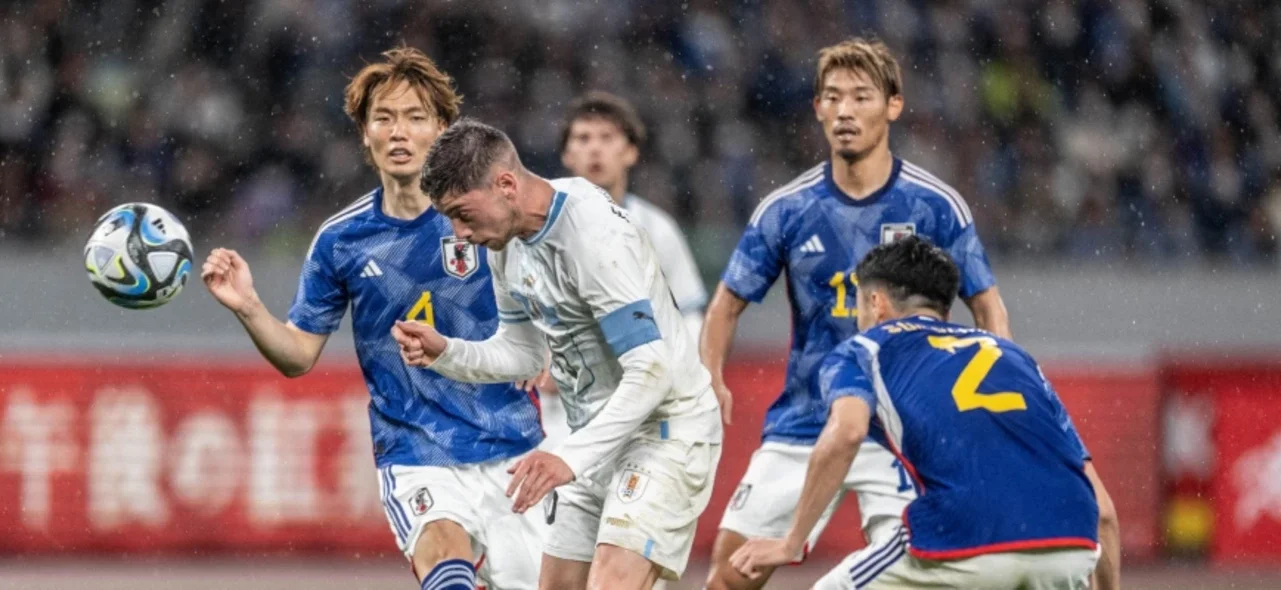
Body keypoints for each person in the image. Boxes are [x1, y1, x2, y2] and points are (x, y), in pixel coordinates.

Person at [200, 48, 544, 590]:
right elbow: (297, 355)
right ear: (365, 134)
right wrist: (248, 306)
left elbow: (552, 302)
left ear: (443, 130)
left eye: (415, 117)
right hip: (416, 451)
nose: (399, 132)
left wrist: (547, 351)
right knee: (445, 564)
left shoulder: (487, 217)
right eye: (384, 118)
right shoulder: (342, 240)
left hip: (515, 446)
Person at [702, 37, 1013, 589]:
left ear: (894, 104)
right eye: (833, 97)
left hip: (904, 428)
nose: (845, 111)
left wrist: (992, 391)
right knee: (729, 573)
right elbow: (726, 305)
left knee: (925, 574)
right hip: (807, 420)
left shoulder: (934, 206)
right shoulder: (788, 210)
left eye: (861, 97)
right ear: (818, 108)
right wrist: (711, 376)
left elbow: (987, 306)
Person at [393, 118, 722, 590]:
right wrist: (447, 351)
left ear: (506, 184)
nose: (460, 233)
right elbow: (524, 355)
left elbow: (652, 370)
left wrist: (567, 459)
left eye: (463, 213)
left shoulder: (592, 235)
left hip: (665, 433)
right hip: (598, 438)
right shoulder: (507, 243)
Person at [731, 235, 1117, 589]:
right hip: (1071, 544)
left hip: (963, 536)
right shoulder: (1016, 358)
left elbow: (847, 432)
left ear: (876, 303)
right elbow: (1104, 514)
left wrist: (791, 542)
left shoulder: (864, 349)